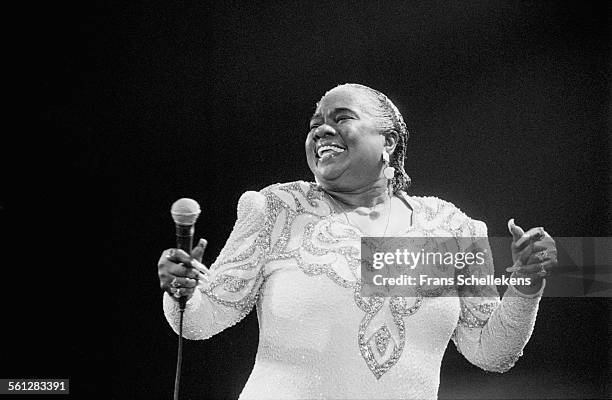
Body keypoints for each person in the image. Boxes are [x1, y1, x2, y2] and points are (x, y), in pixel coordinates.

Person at [157, 83, 558, 399]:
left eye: (342, 117)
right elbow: (198, 320)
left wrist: (527, 284)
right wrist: (183, 289)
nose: (321, 130)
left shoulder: (450, 229)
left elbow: (490, 351)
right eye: (315, 123)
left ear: (389, 143)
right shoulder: (279, 210)